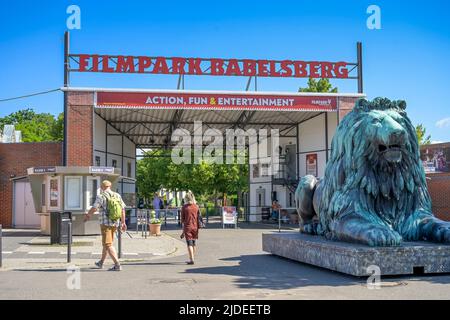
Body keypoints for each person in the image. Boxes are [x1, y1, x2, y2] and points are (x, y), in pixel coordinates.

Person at [84, 180, 127, 271]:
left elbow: (95, 208)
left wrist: (88, 215)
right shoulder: (117, 195)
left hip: (105, 223)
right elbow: (123, 209)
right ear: (110, 186)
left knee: (108, 244)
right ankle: (101, 262)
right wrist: (123, 223)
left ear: (102, 187)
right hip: (115, 223)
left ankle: (117, 264)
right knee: (107, 243)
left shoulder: (101, 196)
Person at [180, 191, 200, 265]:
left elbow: (183, 220)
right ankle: (192, 257)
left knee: (189, 244)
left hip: (188, 227)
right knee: (194, 243)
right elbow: (198, 218)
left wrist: (183, 232)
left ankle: (191, 259)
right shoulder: (196, 206)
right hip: (195, 227)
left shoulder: (184, 207)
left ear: (186, 199)